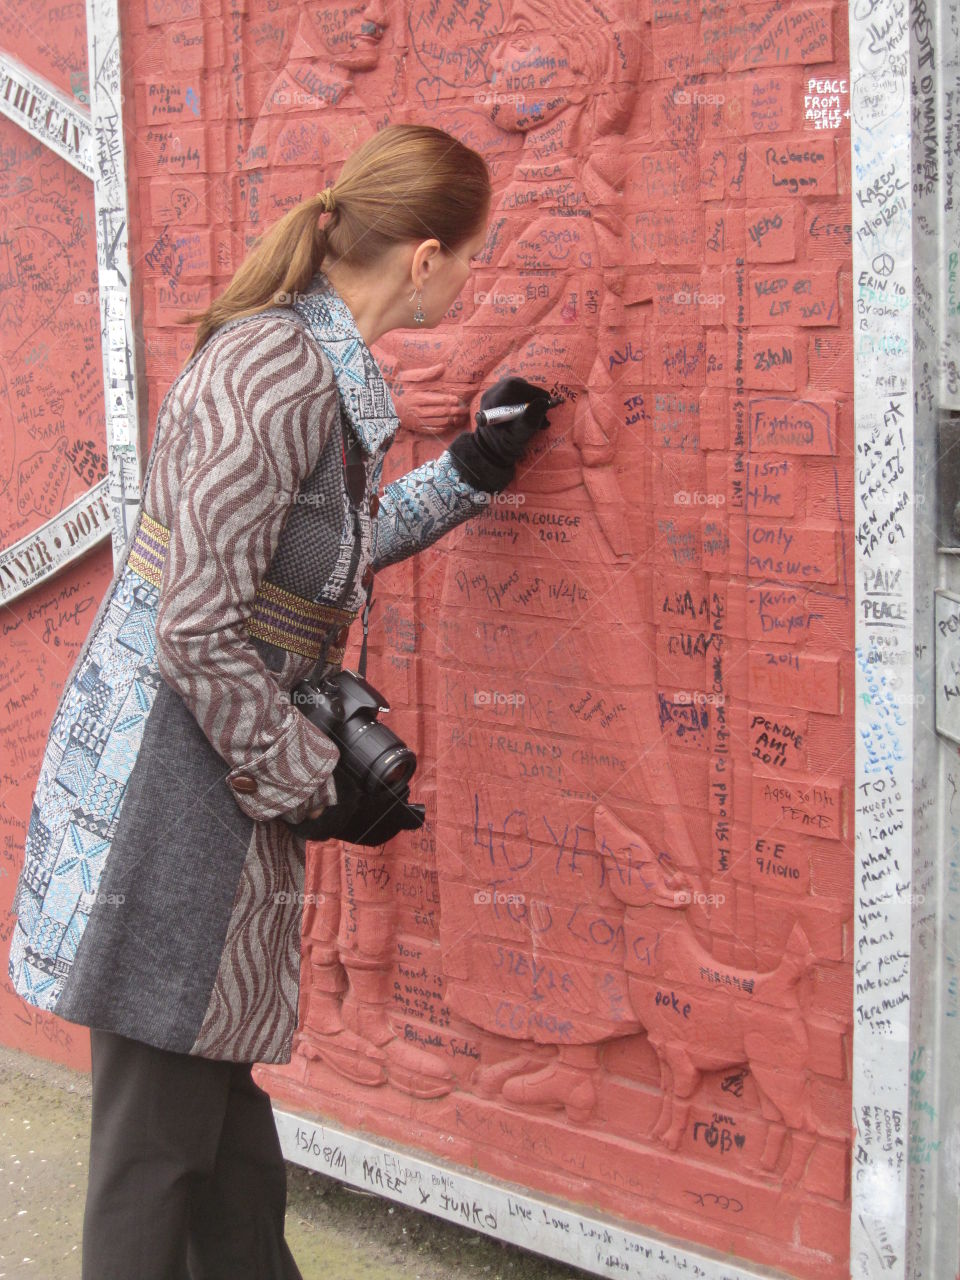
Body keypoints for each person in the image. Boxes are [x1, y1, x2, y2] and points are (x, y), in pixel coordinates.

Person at [6, 122, 555, 1280]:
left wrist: (470, 473)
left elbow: (318, 568)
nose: (474, 273)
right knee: (155, 1153)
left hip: (213, 775)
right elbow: (195, 625)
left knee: (223, 1143)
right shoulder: (271, 377)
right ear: (421, 257)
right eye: (472, 253)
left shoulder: (317, 374)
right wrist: (316, 784)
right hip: (170, 793)